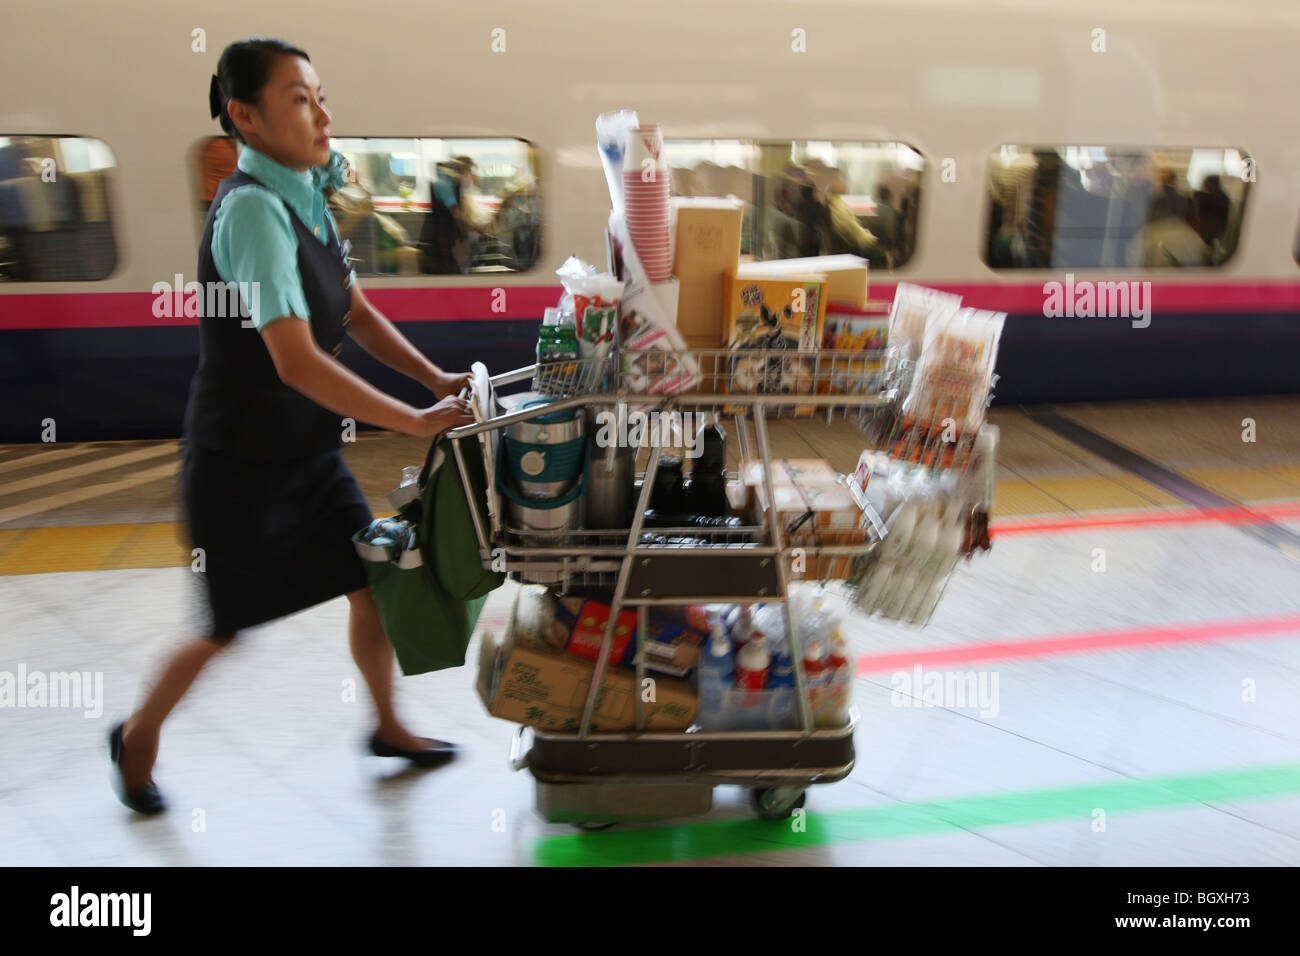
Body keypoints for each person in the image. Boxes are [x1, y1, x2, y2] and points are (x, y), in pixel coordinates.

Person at [108, 38, 476, 815]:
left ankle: (387, 727)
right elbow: (296, 361)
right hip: (238, 465)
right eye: (300, 98)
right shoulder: (250, 212)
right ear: (244, 116)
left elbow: (357, 312)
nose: (322, 114)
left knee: (370, 586)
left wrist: (435, 379)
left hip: (307, 457)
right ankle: (136, 741)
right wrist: (412, 420)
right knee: (222, 628)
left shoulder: (304, 200)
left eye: (319, 95)